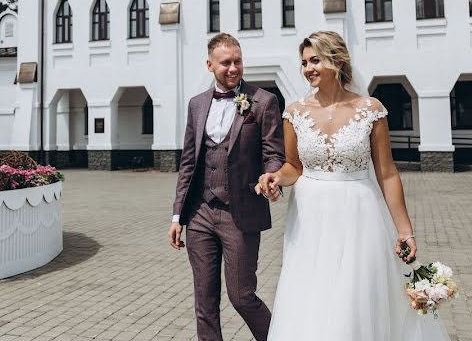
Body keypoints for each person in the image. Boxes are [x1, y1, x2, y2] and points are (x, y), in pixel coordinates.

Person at [257, 31, 450, 340]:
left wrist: (405, 230)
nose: (308, 69)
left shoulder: (370, 109)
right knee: (313, 294)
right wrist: (276, 178)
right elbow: (293, 166)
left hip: (359, 215)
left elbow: (387, 173)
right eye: (304, 62)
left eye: (315, 60)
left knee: (354, 295)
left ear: (337, 59)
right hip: (310, 220)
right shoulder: (295, 112)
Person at [168, 32, 285, 341]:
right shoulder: (196, 104)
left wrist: (271, 176)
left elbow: (274, 154)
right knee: (204, 301)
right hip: (200, 214)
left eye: (238, 61)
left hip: (241, 213)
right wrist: (177, 216)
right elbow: (188, 163)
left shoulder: (264, 101)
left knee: (242, 295)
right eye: (226, 63)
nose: (233, 68)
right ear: (210, 65)